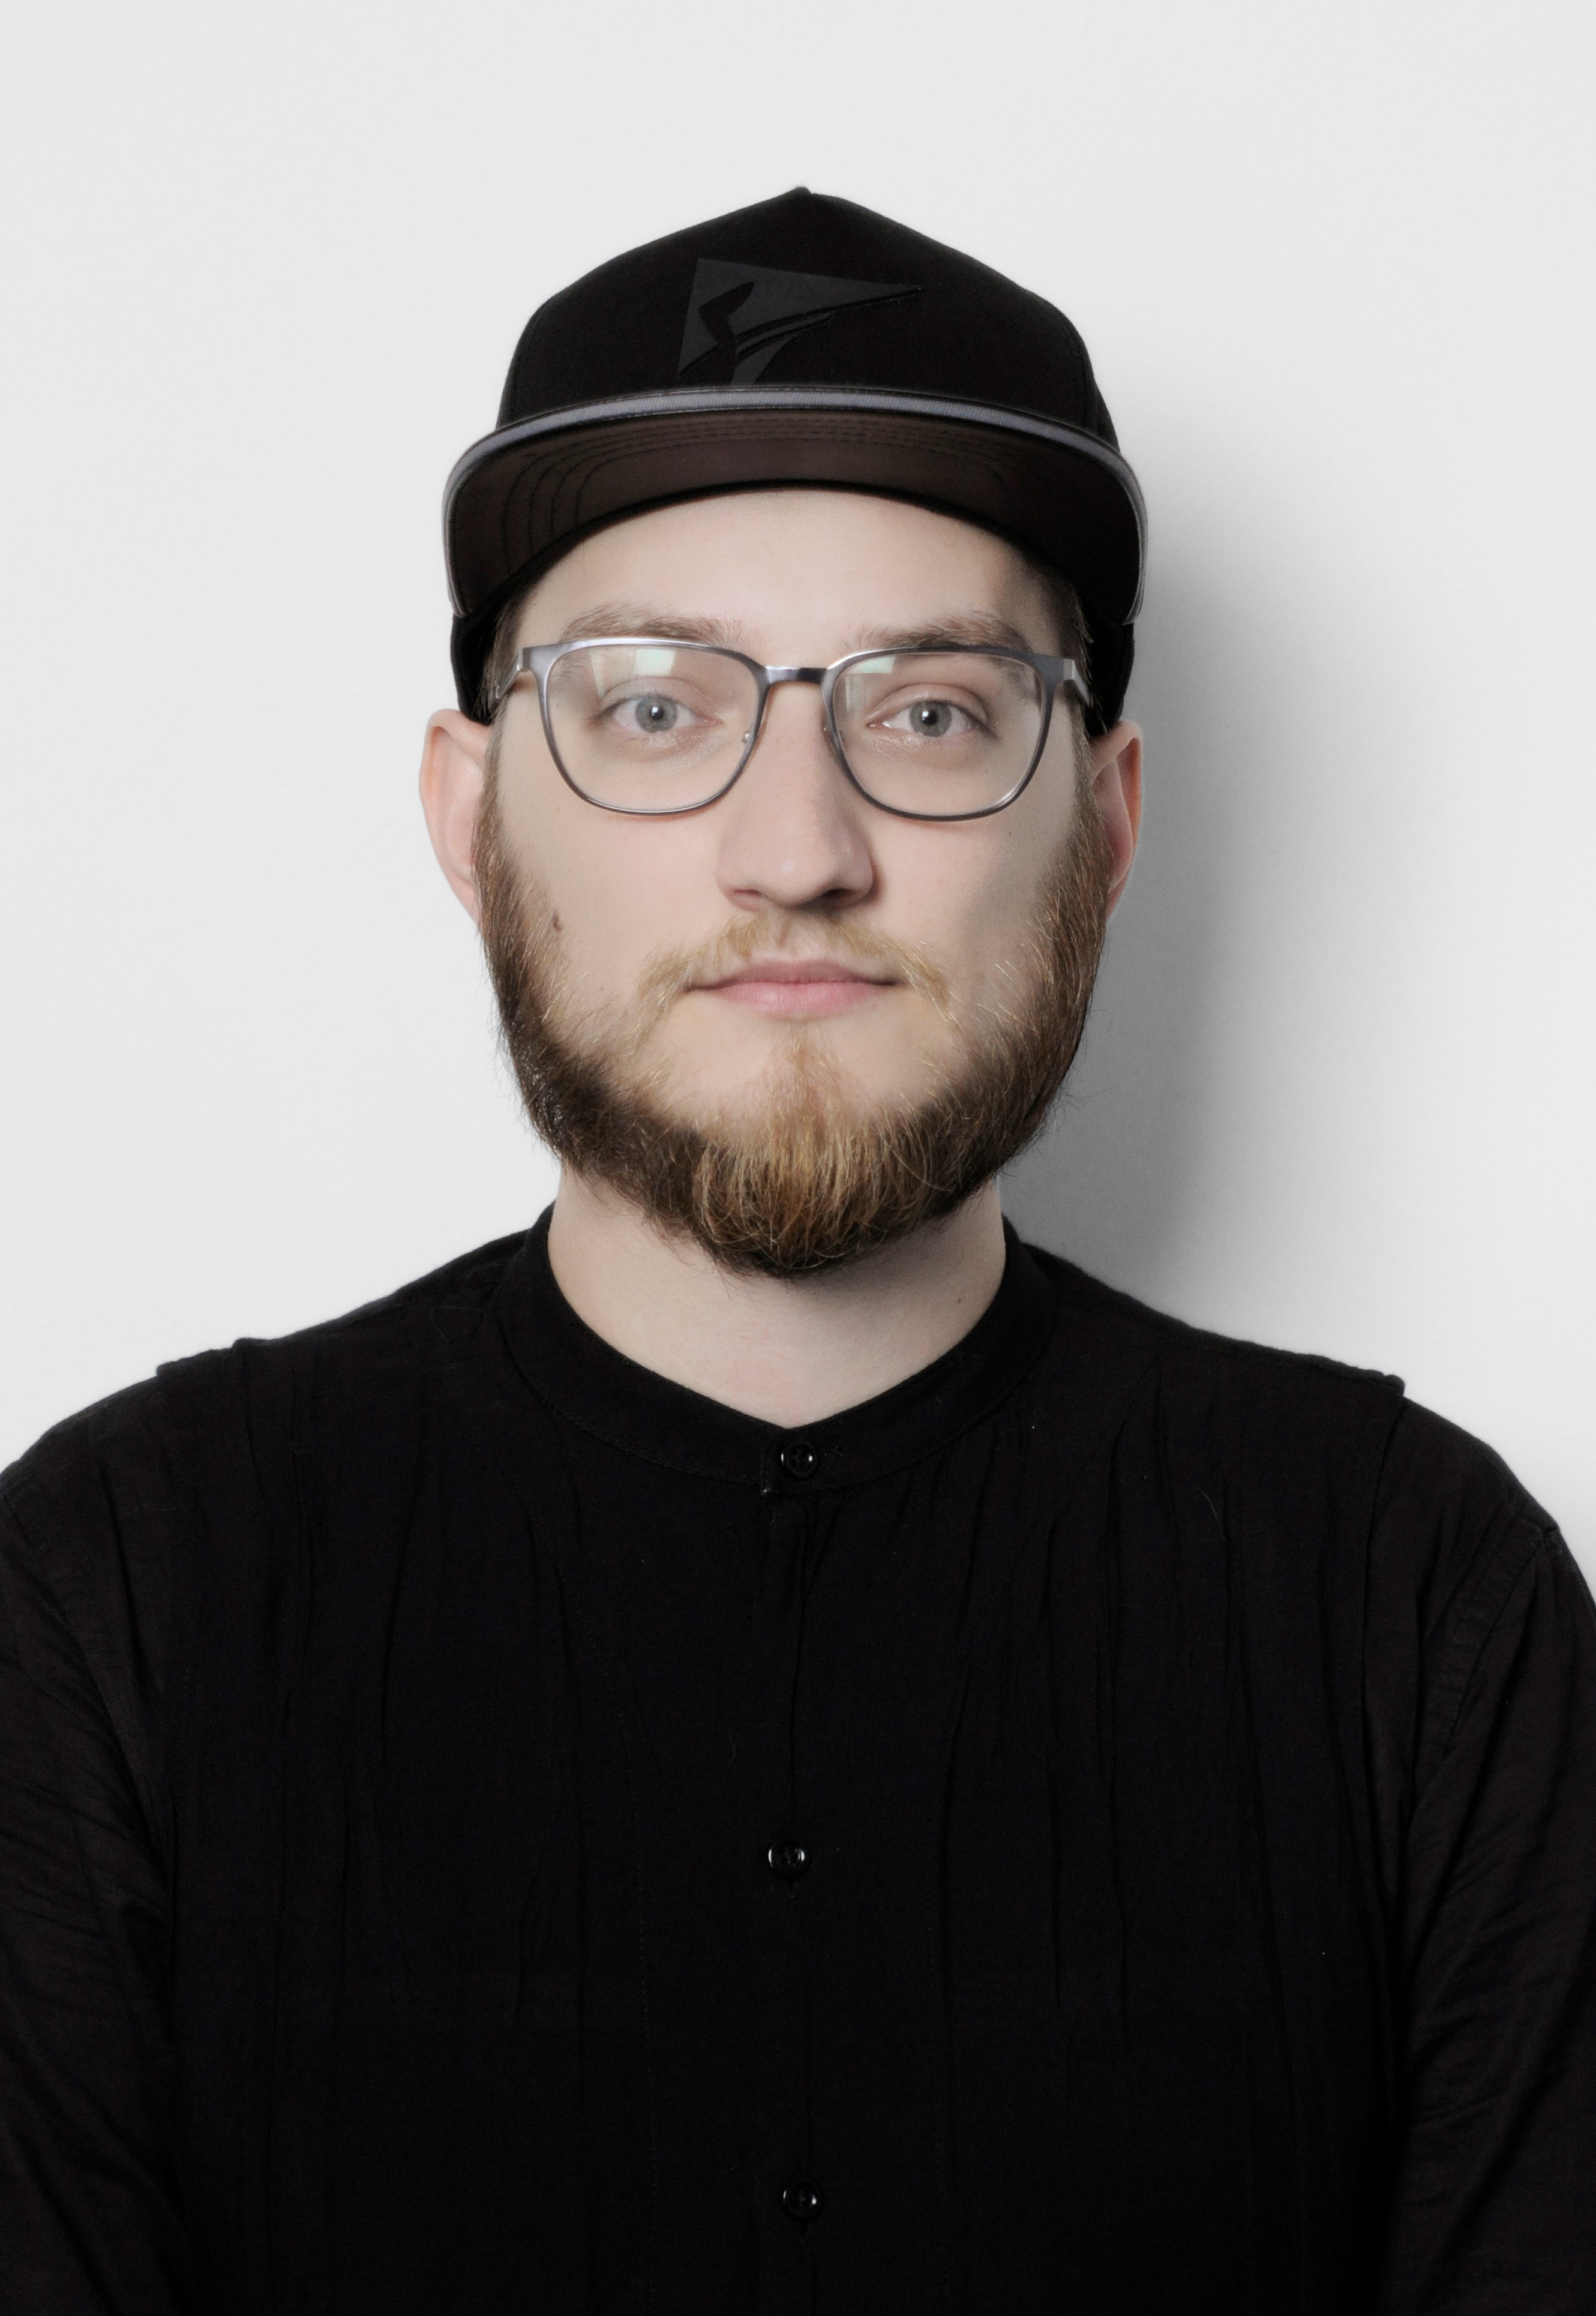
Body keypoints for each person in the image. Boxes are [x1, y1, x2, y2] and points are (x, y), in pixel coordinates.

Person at [1, 188, 1592, 2316]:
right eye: (654, 708)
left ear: (1106, 826)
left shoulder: (1417, 1592)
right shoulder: (114, 1587)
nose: (797, 850)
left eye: (929, 713)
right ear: (470, 820)